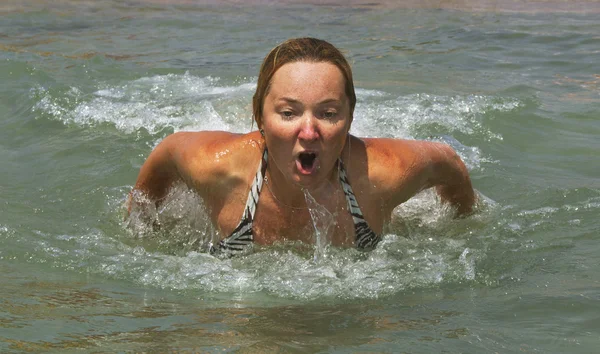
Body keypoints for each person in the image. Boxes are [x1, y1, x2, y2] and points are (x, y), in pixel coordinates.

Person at [129, 37, 476, 256]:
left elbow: (448, 163)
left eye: (328, 113)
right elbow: (169, 152)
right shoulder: (219, 167)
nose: (308, 132)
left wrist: (459, 228)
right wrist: (143, 225)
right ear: (260, 117)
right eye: (288, 112)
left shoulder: (381, 174)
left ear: (350, 118)